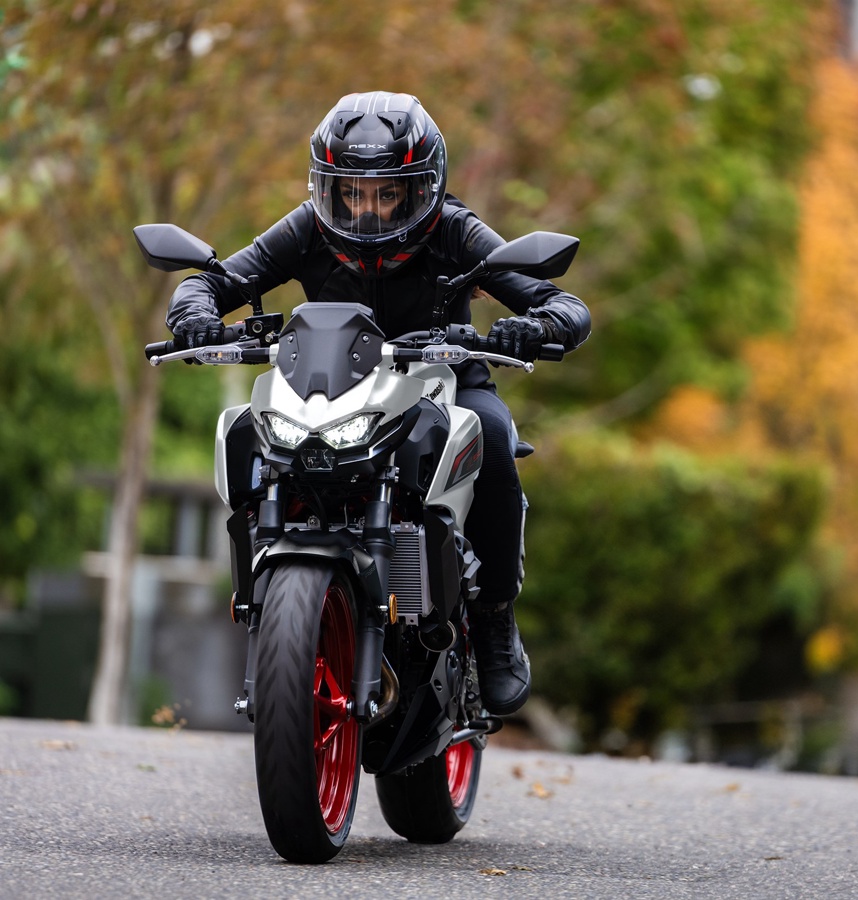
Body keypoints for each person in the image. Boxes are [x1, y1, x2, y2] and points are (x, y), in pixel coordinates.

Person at [166, 91, 591, 716]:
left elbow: (565, 305)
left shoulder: (454, 229)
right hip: (327, 391)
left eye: (386, 193)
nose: (366, 209)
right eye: (351, 192)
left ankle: (495, 621)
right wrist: (193, 313)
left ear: (423, 188)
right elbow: (213, 280)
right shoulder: (307, 227)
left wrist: (535, 325)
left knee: (493, 434)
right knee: (246, 432)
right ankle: (265, 594)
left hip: (444, 386)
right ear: (327, 188)